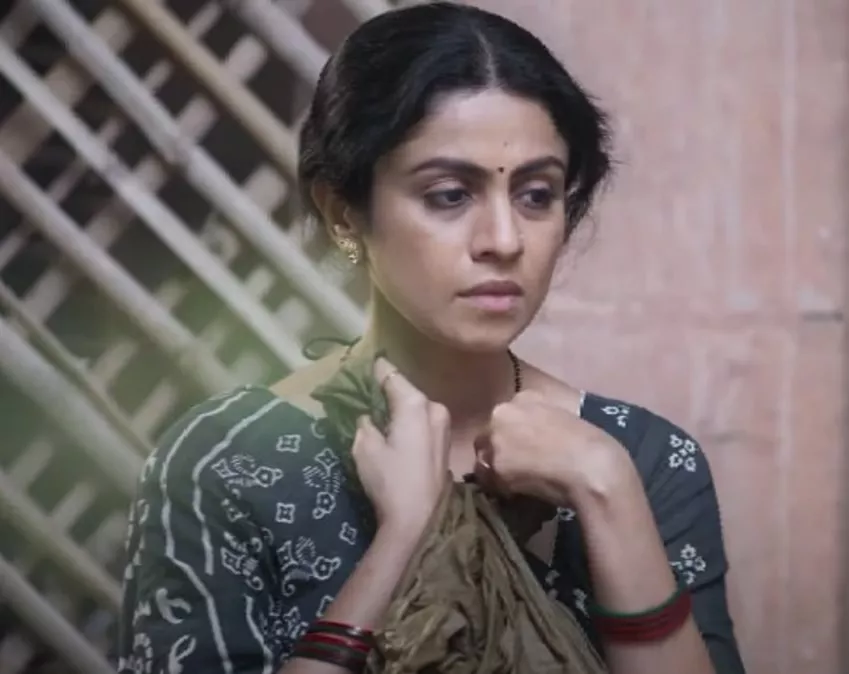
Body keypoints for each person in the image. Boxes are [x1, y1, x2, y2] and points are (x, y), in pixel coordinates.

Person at [115, 3, 745, 673]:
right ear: (343, 214)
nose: (503, 240)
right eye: (449, 194)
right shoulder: (226, 465)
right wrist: (403, 537)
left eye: (536, 195)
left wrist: (605, 491)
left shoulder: (642, 460)